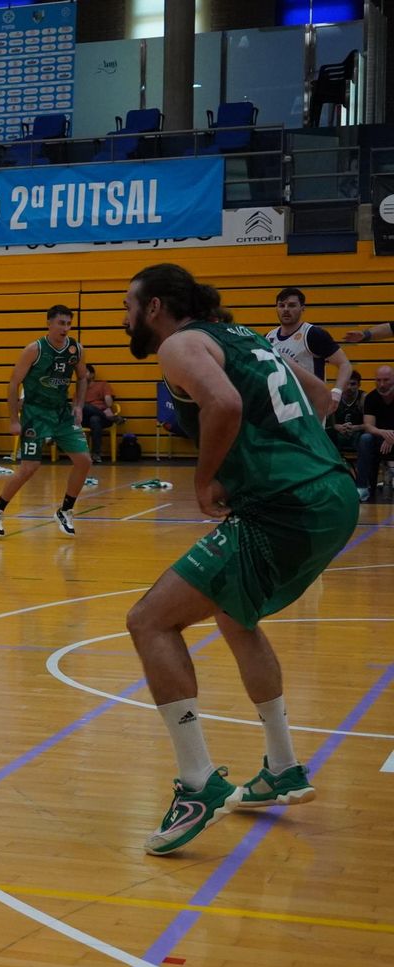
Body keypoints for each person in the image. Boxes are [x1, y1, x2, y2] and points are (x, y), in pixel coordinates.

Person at [120, 262, 356, 855]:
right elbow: (325, 396)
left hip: (286, 504)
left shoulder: (178, 344)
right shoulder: (247, 336)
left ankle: (197, 782)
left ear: (154, 308)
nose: (126, 318)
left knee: (149, 620)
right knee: (234, 614)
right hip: (332, 491)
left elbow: (222, 403)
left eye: (129, 306)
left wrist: (203, 483)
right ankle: (282, 765)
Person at [0, 306, 92, 537]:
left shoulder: (76, 349)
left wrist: (79, 405)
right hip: (36, 413)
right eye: (61, 323)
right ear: (49, 324)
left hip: (62, 412)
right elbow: (13, 384)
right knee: (29, 468)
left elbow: (83, 377)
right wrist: (14, 419)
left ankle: (65, 510)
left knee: (84, 461)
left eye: (68, 324)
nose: (65, 328)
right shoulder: (34, 349)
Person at [267, 286, 353, 408]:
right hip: (281, 407)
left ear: (302, 308)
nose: (286, 309)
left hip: (310, 407)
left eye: (291, 305)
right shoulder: (268, 338)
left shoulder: (313, 334)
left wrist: (337, 392)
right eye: (281, 305)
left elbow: (345, 364)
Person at [355, 365, 394, 502]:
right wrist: (384, 433)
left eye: (386, 380)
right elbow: (368, 426)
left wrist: (392, 436)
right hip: (380, 440)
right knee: (365, 438)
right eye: (378, 380)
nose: (381, 384)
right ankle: (362, 488)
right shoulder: (371, 397)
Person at [80, 366, 123, 461]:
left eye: (85, 372)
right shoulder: (79, 388)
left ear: (92, 374)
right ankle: (112, 418)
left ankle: (96, 454)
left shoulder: (102, 385)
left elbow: (109, 404)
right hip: (84, 418)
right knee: (85, 406)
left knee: (95, 419)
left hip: (102, 419)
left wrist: (107, 397)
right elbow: (77, 407)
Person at [328, 369, 365, 452]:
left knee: (365, 437)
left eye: (353, 384)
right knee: (329, 433)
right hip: (339, 433)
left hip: (358, 433)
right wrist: (338, 427)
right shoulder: (334, 398)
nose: (349, 387)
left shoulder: (364, 398)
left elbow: (369, 425)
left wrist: (355, 428)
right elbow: (330, 423)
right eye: (346, 384)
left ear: (359, 384)